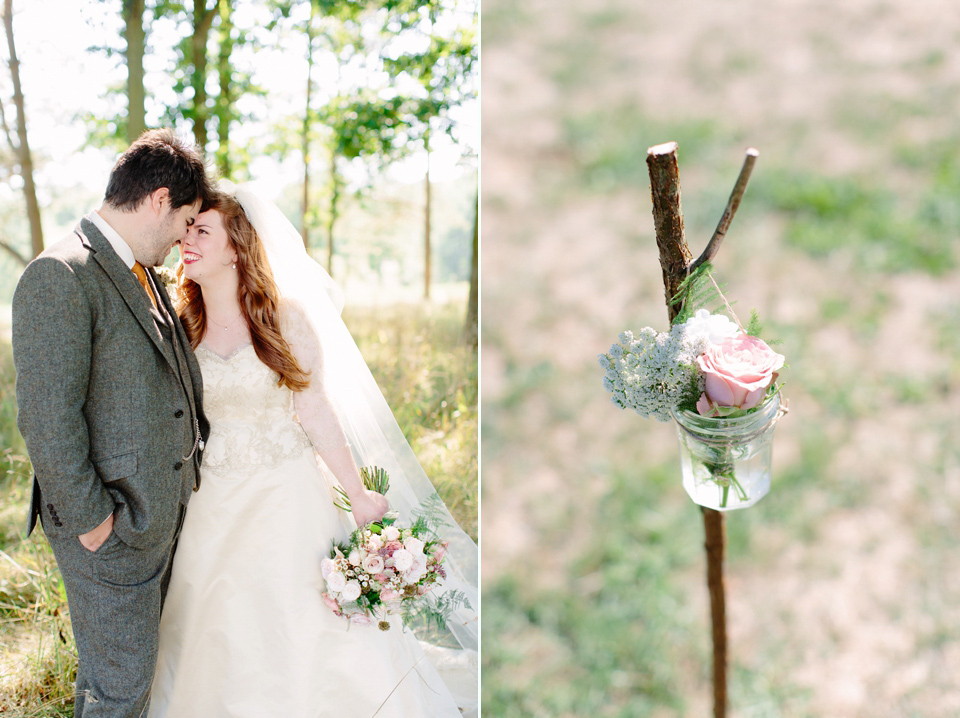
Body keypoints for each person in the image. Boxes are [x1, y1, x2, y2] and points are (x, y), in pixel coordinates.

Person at [147, 185, 479, 717]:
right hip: (210, 501)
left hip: (288, 496)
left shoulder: (285, 317)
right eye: (186, 229)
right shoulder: (180, 325)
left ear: (235, 247)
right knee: (214, 616)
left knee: (302, 617)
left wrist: (358, 494)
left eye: (201, 230)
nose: (187, 239)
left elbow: (315, 410)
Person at [12, 128, 215, 717]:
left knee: (121, 678)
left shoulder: (140, 270)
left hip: (153, 513)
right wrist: (94, 520)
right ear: (158, 199)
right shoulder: (61, 274)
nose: (183, 239)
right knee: (120, 689)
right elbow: (47, 416)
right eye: (184, 222)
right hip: (109, 527)